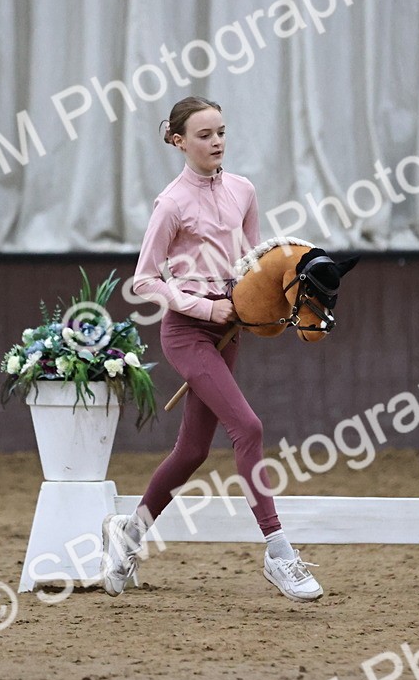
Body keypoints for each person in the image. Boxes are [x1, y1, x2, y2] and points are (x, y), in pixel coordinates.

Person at [100, 96, 323, 602]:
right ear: (179, 142)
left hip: (229, 329)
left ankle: (128, 533)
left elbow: (252, 263)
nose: (217, 141)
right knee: (249, 427)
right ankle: (279, 552)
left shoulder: (243, 190)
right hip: (187, 332)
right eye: (204, 135)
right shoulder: (171, 204)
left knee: (193, 451)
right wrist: (204, 308)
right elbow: (144, 280)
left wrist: (260, 302)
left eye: (221, 131)